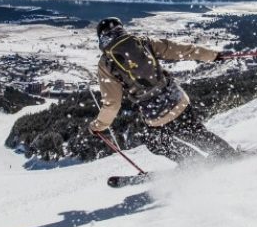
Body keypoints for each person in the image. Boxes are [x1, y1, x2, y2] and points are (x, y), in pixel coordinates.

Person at [89, 17, 238, 163]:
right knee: (195, 133)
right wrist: (212, 55)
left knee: (156, 142)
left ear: (101, 37)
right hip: (177, 99)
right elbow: (182, 50)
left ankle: (193, 163)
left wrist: (99, 125)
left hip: (155, 113)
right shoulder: (143, 42)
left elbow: (112, 103)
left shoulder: (106, 62)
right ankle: (228, 154)